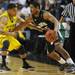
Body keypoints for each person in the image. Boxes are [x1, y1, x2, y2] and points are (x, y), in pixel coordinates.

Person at [29, 2, 75, 73]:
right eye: (30, 7)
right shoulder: (32, 17)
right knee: (50, 54)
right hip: (49, 34)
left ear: (37, 8)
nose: (30, 9)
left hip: (58, 29)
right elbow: (36, 27)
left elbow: (56, 21)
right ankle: (64, 63)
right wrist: (35, 27)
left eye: (32, 7)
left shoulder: (45, 14)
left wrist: (55, 31)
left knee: (58, 47)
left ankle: (72, 64)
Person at [0, 3, 34, 71]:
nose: (16, 12)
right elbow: (0, 31)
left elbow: (25, 23)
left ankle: (25, 64)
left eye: (16, 10)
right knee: (6, 43)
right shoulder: (4, 17)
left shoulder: (16, 16)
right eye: (14, 10)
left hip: (9, 35)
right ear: (9, 10)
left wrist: (37, 27)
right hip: (2, 35)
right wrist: (11, 33)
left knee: (21, 48)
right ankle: (3, 64)